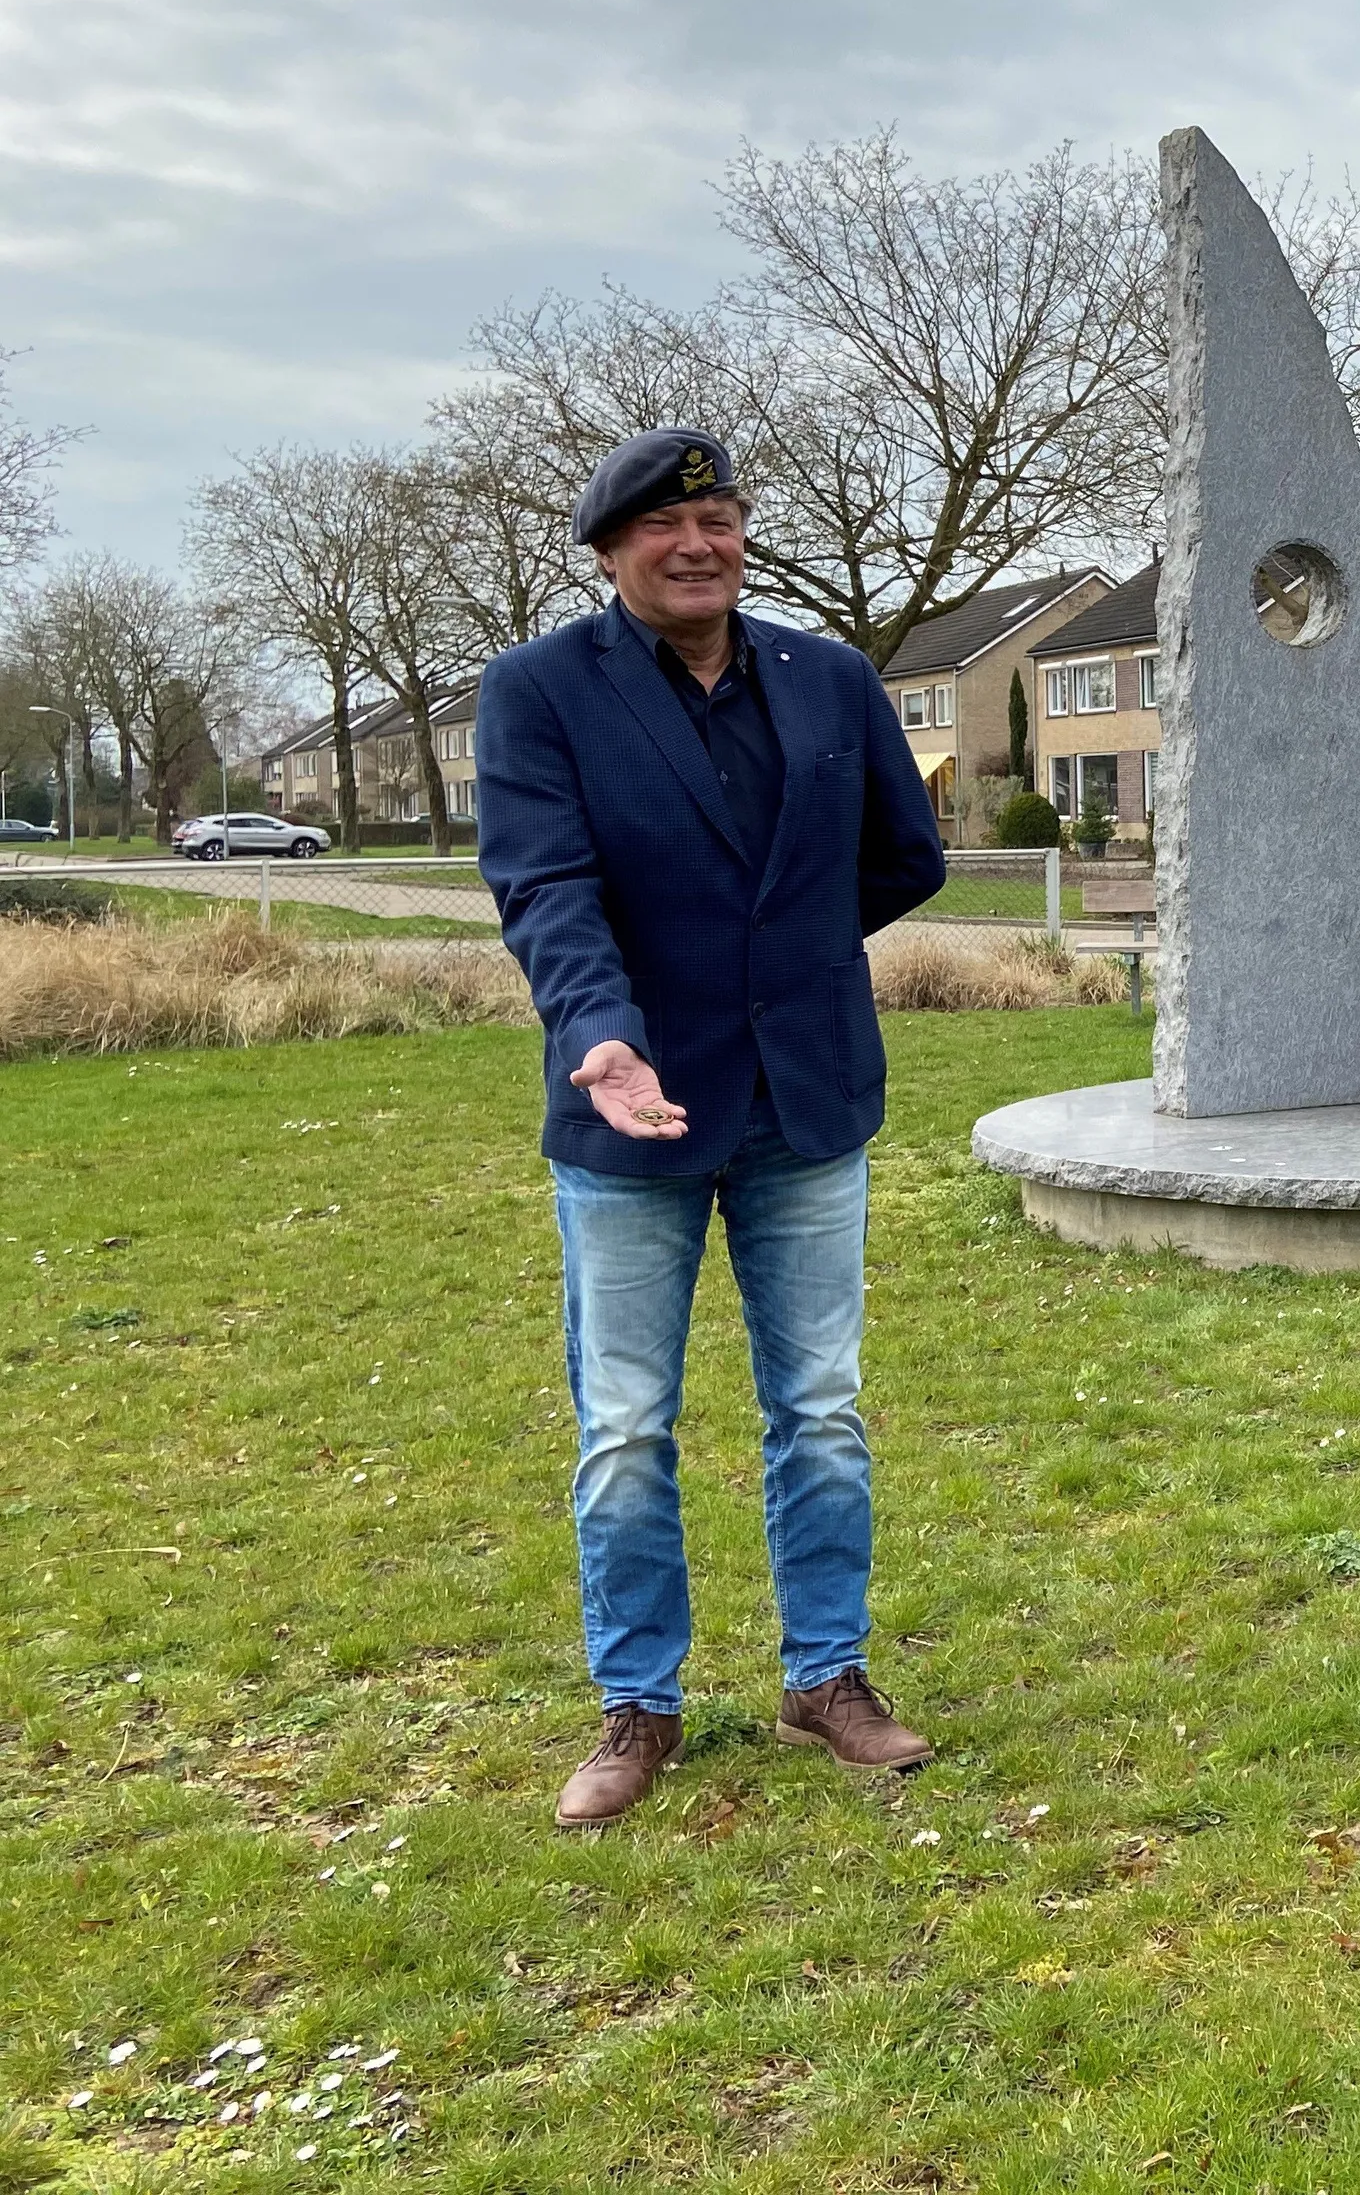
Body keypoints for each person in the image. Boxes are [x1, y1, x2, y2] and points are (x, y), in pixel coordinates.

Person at [476, 427, 948, 1829]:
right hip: (630, 1115)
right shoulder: (539, 693)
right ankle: (638, 1704)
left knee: (822, 1412)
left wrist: (778, 966)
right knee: (625, 1425)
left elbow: (901, 856)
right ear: (612, 550)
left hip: (806, 1101)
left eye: (723, 520)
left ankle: (828, 1678)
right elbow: (544, 886)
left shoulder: (831, 679)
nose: (701, 546)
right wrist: (602, 1031)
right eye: (666, 529)